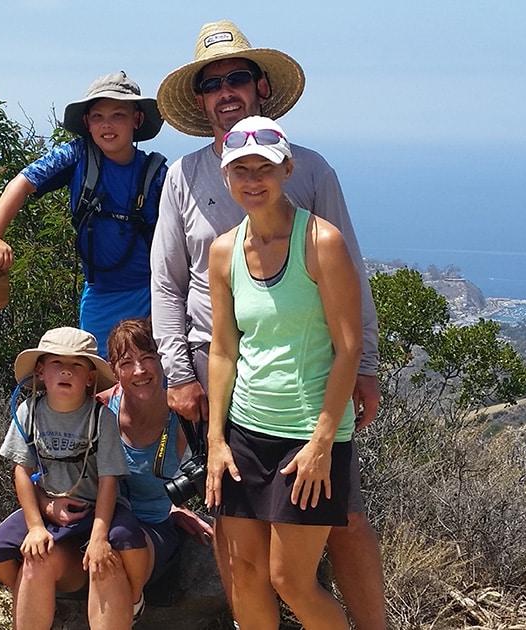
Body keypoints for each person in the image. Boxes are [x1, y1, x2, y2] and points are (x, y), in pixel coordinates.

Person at [152, 20, 387, 628]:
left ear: (260, 86)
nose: (225, 90)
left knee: (342, 524)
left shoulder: (312, 171)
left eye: (237, 77)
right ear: (201, 99)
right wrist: (180, 375)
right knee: (237, 551)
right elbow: (168, 282)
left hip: (311, 381)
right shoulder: (184, 176)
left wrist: (364, 366)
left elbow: (350, 272)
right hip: (218, 380)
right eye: (212, 82)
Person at [205, 116, 361, 630]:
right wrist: (215, 440)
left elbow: (348, 347)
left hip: (306, 439)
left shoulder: (322, 242)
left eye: (264, 168)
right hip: (245, 432)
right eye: (240, 170)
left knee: (290, 580)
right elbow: (224, 349)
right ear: (226, 177)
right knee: (245, 574)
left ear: (287, 169)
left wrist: (322, 443)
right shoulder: (224, 251)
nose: (253, 180)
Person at [37, 319, 216, 613]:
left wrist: (174, 509)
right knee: (39, 557)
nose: (140, 370)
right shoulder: (100, 408)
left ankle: (132, 604)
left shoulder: (184, 417)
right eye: (127, 362)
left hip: (149, 526)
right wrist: (46, 504)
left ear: (163, 360)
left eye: (148, 358)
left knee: (117, 549)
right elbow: (40, 467)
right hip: (95, 523)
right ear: (114, 369)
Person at [0, 71, 168, 353]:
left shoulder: (157, 174)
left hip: (151, 294)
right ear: (87, 123)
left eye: (118, 114)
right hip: (99, 296)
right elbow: (21, 183)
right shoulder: (78, 156)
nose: (107, 125)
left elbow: (179, 240)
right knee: (101, 381)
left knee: (150, 379)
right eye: (98, 117)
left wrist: (165, 307)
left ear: (137, 119)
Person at [0, 327, 147, 629]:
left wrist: (99, 535)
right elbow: (21, 470)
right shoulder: (28, 412)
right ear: (42, 372)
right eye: (58, 363)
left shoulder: (100, 418)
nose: (67, 372)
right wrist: (35, 525)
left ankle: (133, 599)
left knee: (124, 542)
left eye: (77, 365)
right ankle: (40, 598)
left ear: (90, 378)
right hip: (47, 506)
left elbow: (109, 479)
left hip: (95, 506)